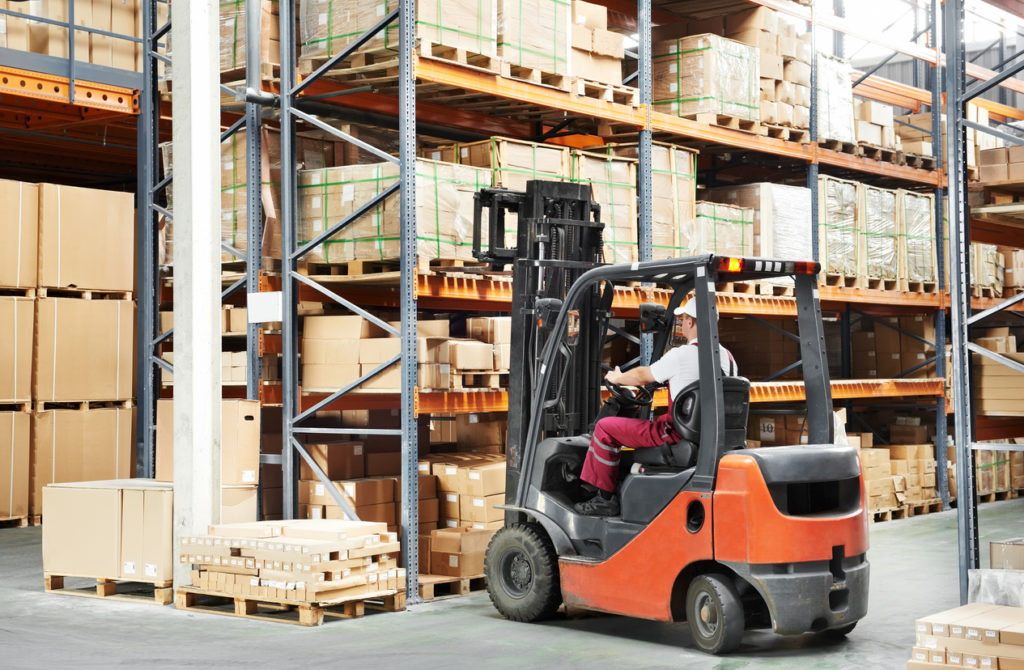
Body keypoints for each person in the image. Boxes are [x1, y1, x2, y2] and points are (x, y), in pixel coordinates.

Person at [574, 298, 737, 516]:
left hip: (674, 435)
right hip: (711, 438)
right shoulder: (728, 358)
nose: (682, 324)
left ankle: (604, 499)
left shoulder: (681, 355)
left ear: (690, 322)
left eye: (683, 320)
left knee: (605, 427)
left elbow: (643, 376)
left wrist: (618, 377)